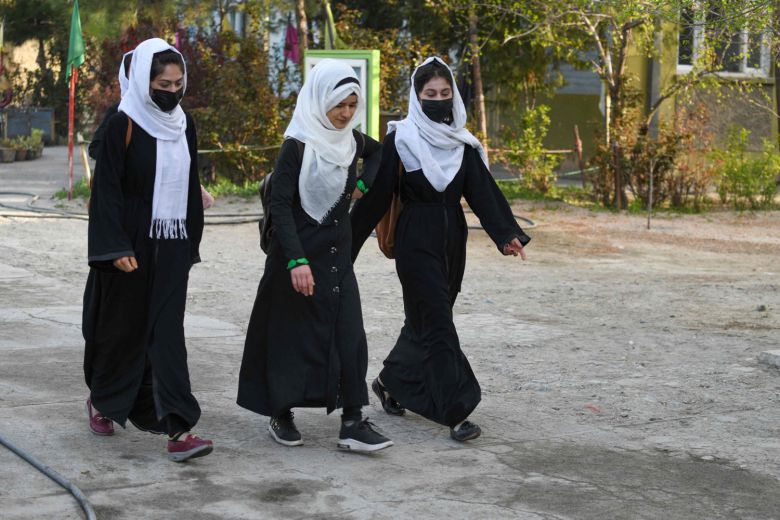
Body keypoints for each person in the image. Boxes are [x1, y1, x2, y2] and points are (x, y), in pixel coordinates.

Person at [350, 56, 531, 442]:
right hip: (415, 239)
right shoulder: (401, 140)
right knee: (438, 324)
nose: (438, 100)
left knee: (426, 320)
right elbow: (377, 197)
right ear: (416, 97)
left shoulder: (462, 143)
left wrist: (506, 234)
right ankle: (456, 410)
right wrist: (342, 247)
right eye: (429, 94)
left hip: (452, 242)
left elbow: (482, 191)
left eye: (444, 93)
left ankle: (389, 381)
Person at [237, 59, 393, 452]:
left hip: (336, 256)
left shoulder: (352, 142)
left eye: (352, 105)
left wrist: (362, 185)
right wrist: (296, 260)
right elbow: (280, 207)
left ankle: (353, 421)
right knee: (289, 336)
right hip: (295, 254)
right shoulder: (296, 145)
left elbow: (380, 153)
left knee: (349, 333)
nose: (345, 113)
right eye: (339, 104)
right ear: (321, 100)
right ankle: (281, 412)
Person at [82, 38, 213, 462]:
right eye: (162, 84)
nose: (171, 92)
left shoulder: (184, 124)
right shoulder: (122, 123)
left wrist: (193, 220)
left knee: (167, 334)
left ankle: (179, 428)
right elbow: (106, 190)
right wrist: (113, 246)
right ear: (143, 81)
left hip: (172, 241)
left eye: (178, 84)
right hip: (129, 243)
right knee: (122, 330)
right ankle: (104, 398)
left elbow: (186, 176)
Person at [89, 50, 214, 210]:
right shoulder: (120, 115)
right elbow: (97, 149)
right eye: (133, 74)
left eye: (177, 83)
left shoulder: (178, 118)